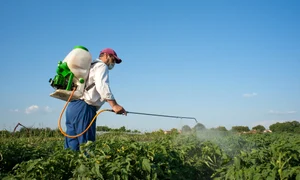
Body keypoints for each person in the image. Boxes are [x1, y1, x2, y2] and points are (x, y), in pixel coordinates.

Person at [64, 48, 127, 151]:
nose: (113, 63)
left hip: (73, 106)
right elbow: (102, 86)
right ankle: (87, 166)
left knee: (72, 142)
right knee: (87, 145)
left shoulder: (89, 66)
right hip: (85, 108)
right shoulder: (101, 66)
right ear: (106, 55)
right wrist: (114, 105)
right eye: (113, 59)